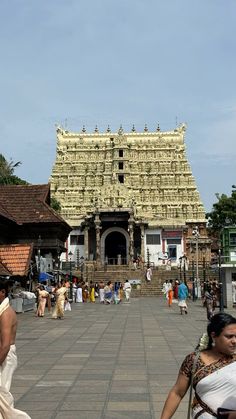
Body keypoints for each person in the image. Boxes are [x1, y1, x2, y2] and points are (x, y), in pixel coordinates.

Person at [160, 312, 236, 419]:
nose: (234, 341)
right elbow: (177, 393)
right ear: (213, 336)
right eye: (229, 336)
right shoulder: (194, 360)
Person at [0, 279, 31, 417]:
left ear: (2, 292)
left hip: (5, 356)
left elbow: (5, 344)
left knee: (3, 396)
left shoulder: (6, 313)